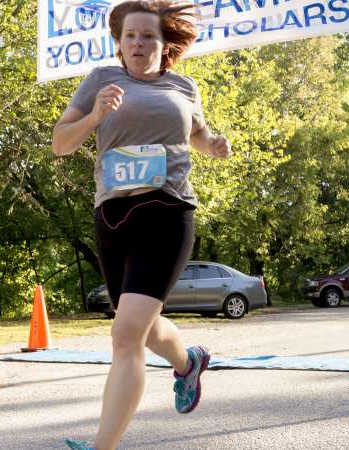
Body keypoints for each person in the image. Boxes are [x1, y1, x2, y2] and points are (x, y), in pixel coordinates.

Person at [52, 1, 231, 449]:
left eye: (148, 36)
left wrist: (215, 146)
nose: (138, 43)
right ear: (119, 43)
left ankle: (102, 446)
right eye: (129, 35)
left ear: (164, 43)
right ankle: (188, 362)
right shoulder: (100, 80)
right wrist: (94, 115)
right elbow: (61, 144)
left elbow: (198, 136)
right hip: (112, 214)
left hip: (167, 211)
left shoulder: (183, 87)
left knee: (126, 334)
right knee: (143, 328)